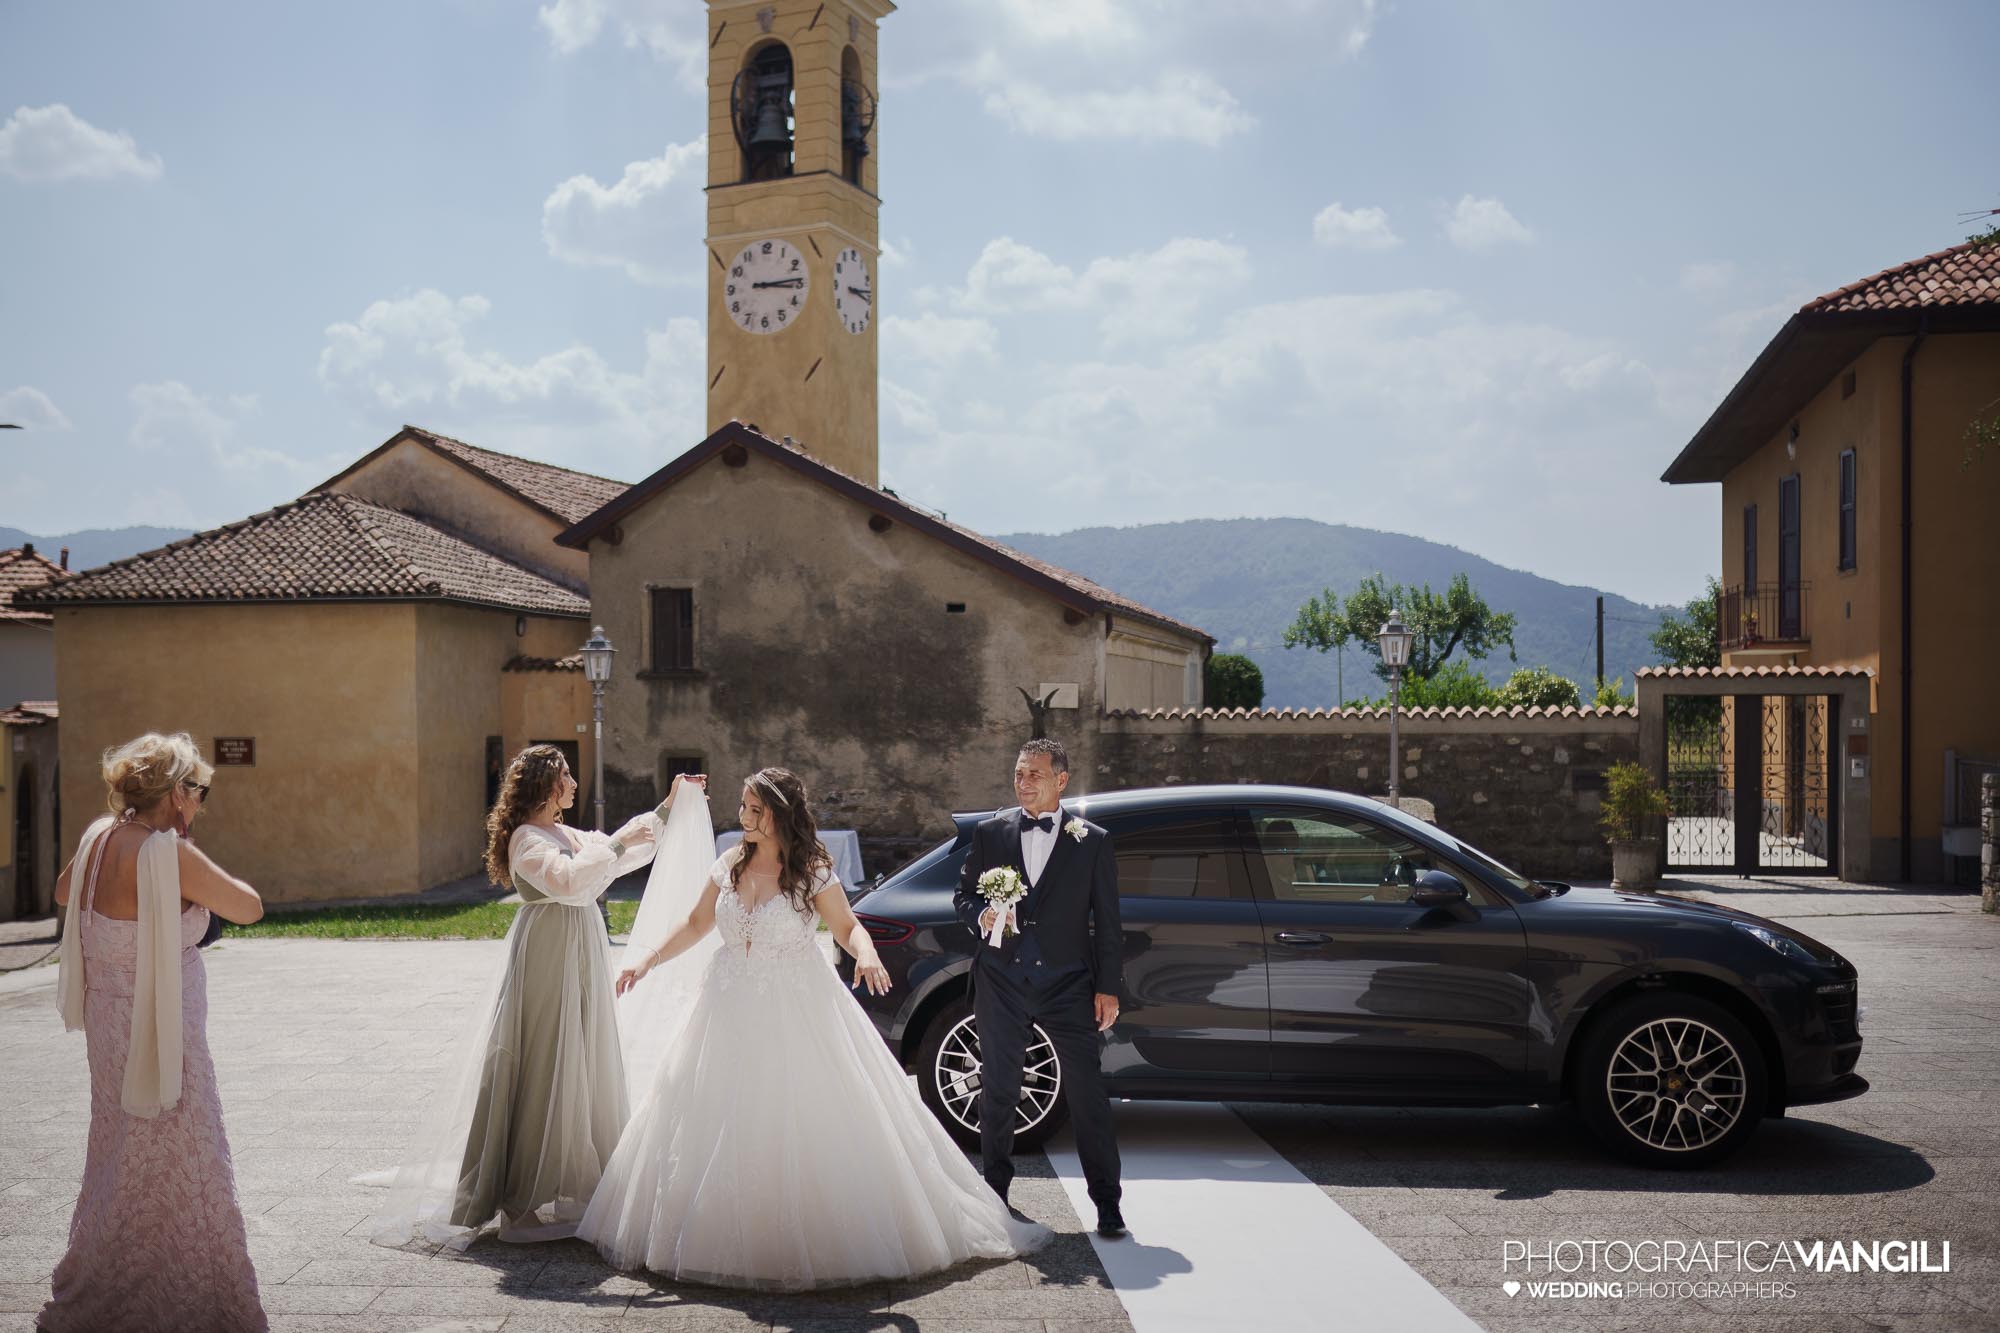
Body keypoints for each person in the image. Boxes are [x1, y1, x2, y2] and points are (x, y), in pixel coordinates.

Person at [578, 767, 1048, 1289]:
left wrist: (867, 957)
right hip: (725, 1007)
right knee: (712, 1113)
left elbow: (847, 927)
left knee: (797, 1118)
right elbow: (695, 925)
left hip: (795, 1009)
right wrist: (645, 961)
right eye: (742, 806)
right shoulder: (730, 864)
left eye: (753, 809)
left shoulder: (811, 871)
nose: (743, 816)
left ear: (777, 815)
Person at [361, 746, 700, 1249]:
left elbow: (623, 854)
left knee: (580, 1060)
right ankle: (518, 1202)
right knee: (541, 1058)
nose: (575, 783)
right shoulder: (527, 838)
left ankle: (576, 1185)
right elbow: (567, 879)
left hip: (580, 948)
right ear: (545, 785)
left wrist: (668, 808)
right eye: (566, 775)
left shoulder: (568, 834)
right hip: (546, 953)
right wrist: (617, 841)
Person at [41, 732, 267, 1332]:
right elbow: (248, 906)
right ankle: (185, 1293)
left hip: (109, 1029)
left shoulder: (98, 837)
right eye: (199, 793)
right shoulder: (165, 853)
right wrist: (180, 860)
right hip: (165, 1032)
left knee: (120, 1148)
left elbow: (65, 893)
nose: (200, 805)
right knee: (184, 1150)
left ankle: (111, 1272)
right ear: (176, 793)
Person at [953, 737, 1126, 1239]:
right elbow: (963, 894)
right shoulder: (991, 833)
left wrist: (1108, 987)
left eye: (1034, 774)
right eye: (1019, 773)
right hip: (1001, 978)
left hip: (1068, 982)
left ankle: (1108, 1203)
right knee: (999, 1088)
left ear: (1061, 780)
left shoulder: (1091, 840)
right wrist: (980, 914)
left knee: (1087, 1092)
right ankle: (996, 1195)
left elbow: (1108, 923)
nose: (1023, 782)